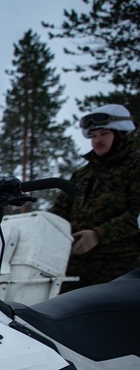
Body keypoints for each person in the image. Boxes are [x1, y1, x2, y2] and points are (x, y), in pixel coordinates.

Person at [50, 103, 140, 289]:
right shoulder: (82, 174)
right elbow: (60, 211)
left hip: (121, 267)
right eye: (93, 135)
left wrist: (98, 235)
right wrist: (46, 226)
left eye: (104, 134)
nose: (97, 140)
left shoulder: (135, 167)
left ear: (120, 135)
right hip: (74, 265)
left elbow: (136, 216)